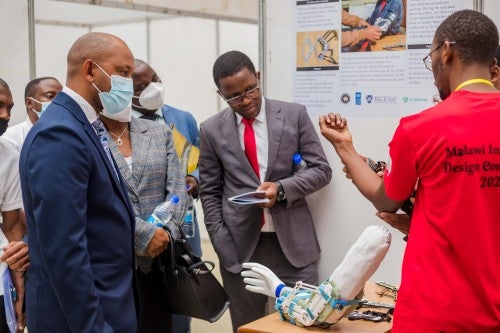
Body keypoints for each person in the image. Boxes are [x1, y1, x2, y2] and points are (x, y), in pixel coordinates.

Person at [319, 10, 500, 331]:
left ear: (447, 51)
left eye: (431, 56)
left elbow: (385, 199)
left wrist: (344, 148)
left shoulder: (420, 128)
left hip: (433, 312)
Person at [199, 50, 332, 332]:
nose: (246, 100)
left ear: (258, 77)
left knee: (306, 324)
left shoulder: (294, 114)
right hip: (241, 249)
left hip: (295, 247)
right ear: (220, 93)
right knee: (249, 328)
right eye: (234, 96)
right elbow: (209, 191)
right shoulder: (211, 129)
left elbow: (321, 170)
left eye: (250, 89)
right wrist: (222, 243)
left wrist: (282, 189)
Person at [19, 32, 138, 332]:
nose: (129, 84)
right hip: (82, 318)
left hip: (108, 304)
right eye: (122, 72)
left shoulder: (83, 125)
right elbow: (65, 251)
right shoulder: (61, 133)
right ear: (89, 70)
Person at [100, 103, 187, 332]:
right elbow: (97, 202)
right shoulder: (88, 136)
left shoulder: (159, 132)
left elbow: (177, 190)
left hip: (160, 261)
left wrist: (164, 234)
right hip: (112, 261)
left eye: (127, 76)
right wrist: (142, 234)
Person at [131, 59, 202, 333]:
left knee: (184, 298)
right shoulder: (121, 127)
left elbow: (198, 164)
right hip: (145, 231)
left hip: (184, 226)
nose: (153, 87)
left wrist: (194, 180)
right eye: (142, 86)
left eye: (155, 78)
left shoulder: (182, 119)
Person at [0, 78, 27, 332]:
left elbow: (12, 224)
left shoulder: (7, 153)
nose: (5, 115)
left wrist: (20, 288)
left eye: (9, 108)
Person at [3, 77, 63, 151]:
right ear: (30, 103)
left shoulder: (66, 135)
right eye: (50, 96)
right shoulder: (10, 139)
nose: (59, 101)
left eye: (61, 97)